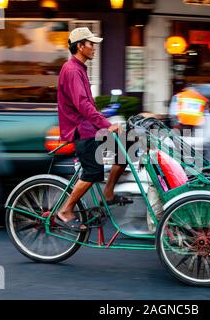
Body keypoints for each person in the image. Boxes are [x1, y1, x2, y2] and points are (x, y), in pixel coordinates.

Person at [56, 27, 132, 231]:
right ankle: (65, 209)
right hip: (81, 130)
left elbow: (87, 105)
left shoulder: (80, 68)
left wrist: (108, 120)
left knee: (127, 147)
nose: (94, 48)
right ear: (80, 46)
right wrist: (107, 126)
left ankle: (108, 194)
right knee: (93, 171)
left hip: (90, 127)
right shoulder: (72, 70)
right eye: (91, 44)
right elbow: (82, 105)